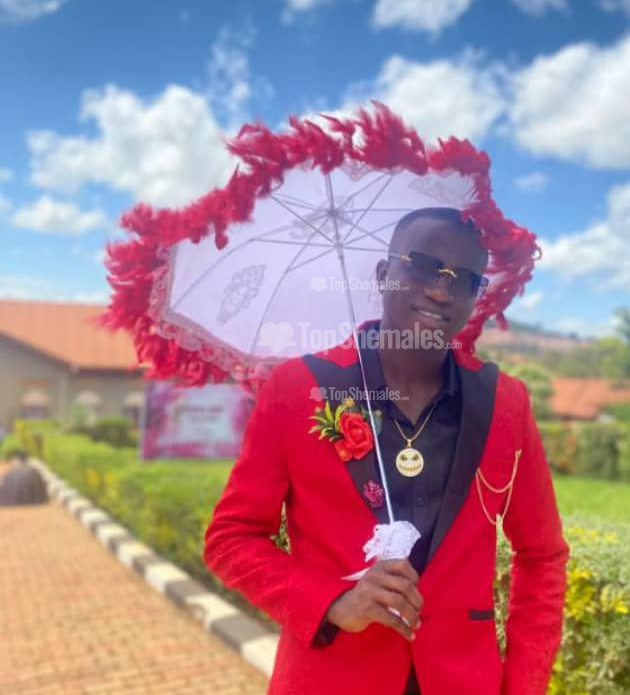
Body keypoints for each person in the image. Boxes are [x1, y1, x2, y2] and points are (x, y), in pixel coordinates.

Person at [204, 207, 569, 695]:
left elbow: (542, 556)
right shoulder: (298, 388)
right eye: (423, 266)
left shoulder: (504, 402)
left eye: (464, 279)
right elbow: (231, 538)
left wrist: (523, 688)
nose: (441, 291)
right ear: (383, 274)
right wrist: (331, 602)